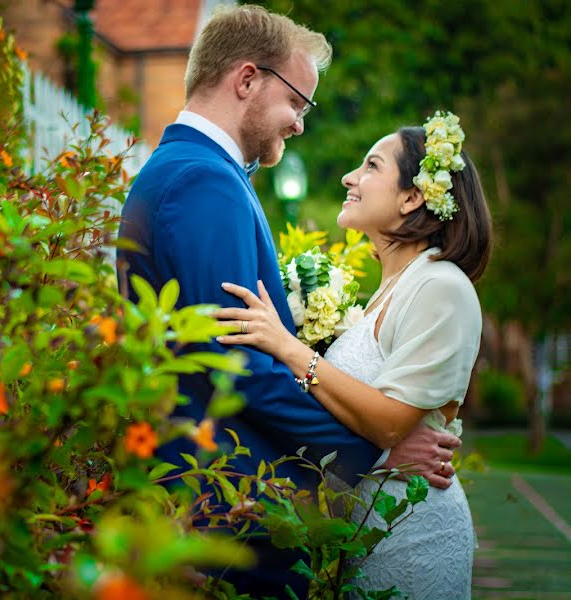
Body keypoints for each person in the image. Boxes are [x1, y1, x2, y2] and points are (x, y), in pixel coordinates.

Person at [117, 5, 461, 597]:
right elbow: (238, 362)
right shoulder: (204, 179)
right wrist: (373, 454)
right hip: (230, 507)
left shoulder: (194, 171)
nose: (300, 124)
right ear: (247, 80)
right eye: (298, 102)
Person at [215, 111, 491, 598]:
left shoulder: (441, 286)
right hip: (364, 534)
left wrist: (288, 346)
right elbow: (372, 425)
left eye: (371, 166)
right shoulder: (389, 290)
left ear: (412, 197)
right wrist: (380, 460)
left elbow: (387, 424)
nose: (350, 177)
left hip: (413, 536)